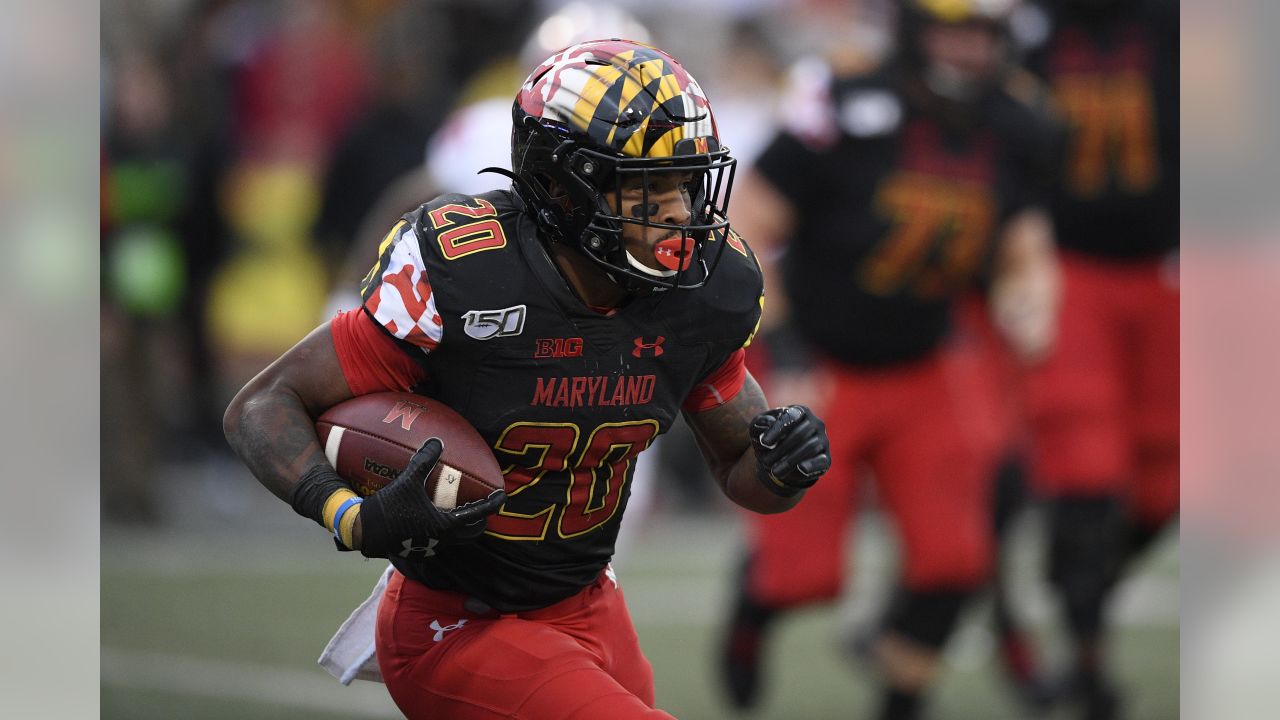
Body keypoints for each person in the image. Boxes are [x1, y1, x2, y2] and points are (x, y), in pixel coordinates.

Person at [223, 39, 831, 720]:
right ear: (561, 184)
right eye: (646, 187)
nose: (680, 214)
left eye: (685, 183)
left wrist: (782, 467)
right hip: (457, 622)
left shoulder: (702, 291)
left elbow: (741, 472)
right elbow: (263, 403)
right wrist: (350, 513)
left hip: (589, 600)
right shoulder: (466, 275)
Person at [716, 2, 1061, 718]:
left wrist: (1028, 297)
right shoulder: (846, 100)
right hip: (825, 360)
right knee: (802, 577)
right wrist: (780, 341)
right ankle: (752, 610)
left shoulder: (1015, 123)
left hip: (926, 361)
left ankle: (901, 701)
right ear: (913, 27)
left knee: (954, 560)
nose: (969, 51)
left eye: (984, 34)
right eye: (954, 30)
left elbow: (1024, 246)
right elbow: (749, 218)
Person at [1015, 1, 1179, 717]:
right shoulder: (1025, 30)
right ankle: (1086, 664)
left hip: (1172, 264)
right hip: (1066, 266)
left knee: (1166, 482)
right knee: (1085, 469)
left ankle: (1077, 591)